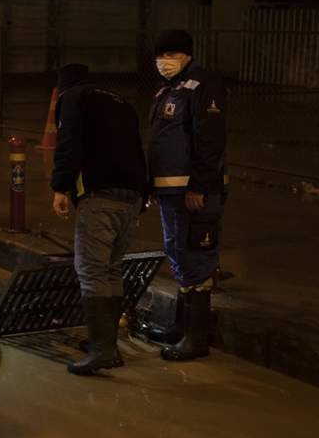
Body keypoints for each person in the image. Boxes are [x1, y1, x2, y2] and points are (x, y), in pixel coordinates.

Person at [50, 63, 150, 375]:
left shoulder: (73, 98)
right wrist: (141, 202)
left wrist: (60, 187)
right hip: (132, 196)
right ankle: (106, 342)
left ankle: (103, 349)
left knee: (92, 270)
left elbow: (67, 144)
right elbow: (137, 150)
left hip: (100, 195)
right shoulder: (122, 103)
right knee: (111, 269)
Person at [141, 29, 229, 361]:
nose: (164, 61)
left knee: (196, 257)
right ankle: (180, 329)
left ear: (187, 56)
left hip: (193, 191)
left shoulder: (204, 86)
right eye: (160, 56)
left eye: (171, 55)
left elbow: (211, 138)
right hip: (171, 191)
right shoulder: (170, 89)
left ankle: (196, 340)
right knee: (179, 255)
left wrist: (201, 185)